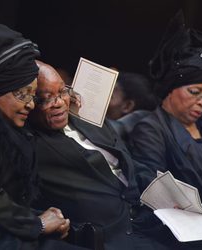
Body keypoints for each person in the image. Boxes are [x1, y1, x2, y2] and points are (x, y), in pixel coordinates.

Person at [0, 20, 86, 250]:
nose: (30, 104)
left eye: (33, 96)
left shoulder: (11, 128)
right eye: (22, 94)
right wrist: (37, 223)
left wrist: (43, 217)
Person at [28, 60, 168, 250]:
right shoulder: (29, 143)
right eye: (46, 98)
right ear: (28, 101)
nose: (59, 103)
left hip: (148, 219)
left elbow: (127, 165)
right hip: (108, 238)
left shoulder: (91, 119)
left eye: (62, 92)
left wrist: (167, 191)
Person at [128, 11, 202, 250]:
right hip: (182, 228)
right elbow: (151, 182)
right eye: (194, 92)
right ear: (170, 90)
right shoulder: (152, 128)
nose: (201, 102)